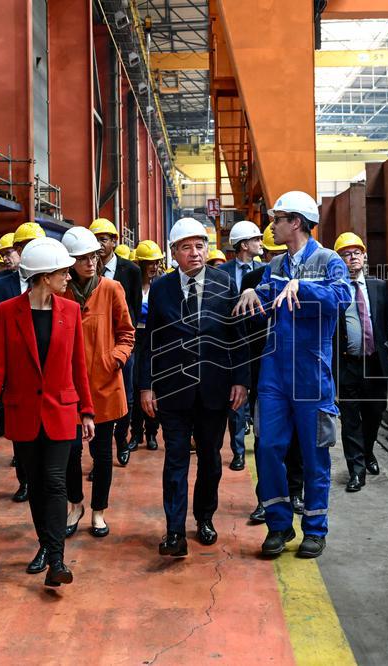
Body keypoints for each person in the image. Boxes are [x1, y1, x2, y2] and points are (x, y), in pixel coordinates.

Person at [234, 191, 350, 559]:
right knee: (267, 448)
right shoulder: (275, 266)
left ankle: (315, 529)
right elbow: (268, 301)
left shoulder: (329, 260)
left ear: (296, 222)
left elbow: (341, 295)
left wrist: (304, 286)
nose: (273, 224)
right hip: (274, 374)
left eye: (278, 218)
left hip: (312, 376)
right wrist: (253, 291)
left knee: (315, 455)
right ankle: (279, 525)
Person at [0, 237, 94, 587]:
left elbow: (79, 366)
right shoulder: (7, 311)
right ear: (45, 276)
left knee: (56, 481)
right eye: (62, 272)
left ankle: (56, 560)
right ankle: (46, 545)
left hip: (61, 411)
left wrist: (87, 411)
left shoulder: (71, 311)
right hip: (23, 412)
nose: (68, 277)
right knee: (37, 485)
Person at [139, 217, 249, 558]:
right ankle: (174, 532)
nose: (195, 253)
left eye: (200, 245)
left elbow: (238, 335)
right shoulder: (160, 289)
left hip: (214, 390)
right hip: (172, 391)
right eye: (186, 247)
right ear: (174, 253)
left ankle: (204, 518)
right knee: (175, 461)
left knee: (210, 460)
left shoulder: (224, 283)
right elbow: (148, 342)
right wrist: (146, 386)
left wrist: (241, 379)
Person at [60, 227, 135, 538]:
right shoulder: (59, 292)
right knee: (71, 451)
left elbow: (127, 334)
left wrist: (113, 359)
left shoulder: (111, 288)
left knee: (102, 453)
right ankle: (75, 504)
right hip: (69, 388)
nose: (90, 262)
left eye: (93, 256)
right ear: (69, 262)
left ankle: (98, 511)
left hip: (104, 385)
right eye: (82, 258)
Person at [240, 227, 304, 524]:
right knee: (266, 440)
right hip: (265, 373)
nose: (279, 259)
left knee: (298, 441)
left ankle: (294, 493)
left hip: (298, 373)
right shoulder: (254, 283)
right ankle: (265, 499)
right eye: (273, 254)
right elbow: (243, 331)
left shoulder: (304, 281)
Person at [0, 222, 47, 503]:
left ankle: (47, 478)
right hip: (14, 370)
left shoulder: (53, 282)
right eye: (22, 247)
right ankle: (25, 480)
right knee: (19, 430)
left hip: (45, 367)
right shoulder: (0, 286)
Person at [333, 232, 388, 492]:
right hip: (348, 365)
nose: (352, 257)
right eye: (346, 253)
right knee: (350, 420)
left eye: (357, 252)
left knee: (374, 414)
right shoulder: (334, 288)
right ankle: (356, 470)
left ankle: (368, 453)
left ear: (364, 256)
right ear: (338, 260)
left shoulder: (378, 286)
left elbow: (385, 323)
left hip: (375, 364)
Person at [89, 218, 142, 460]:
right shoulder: (83, 272)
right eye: (96, 240)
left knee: (126, 397)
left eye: (104, 239)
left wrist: (122, 348)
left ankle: (121, 440)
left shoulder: (130, 270)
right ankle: (100, 452)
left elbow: (133, 306)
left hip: (120, 346)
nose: (100, 245)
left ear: (114, 242)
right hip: (95, 347)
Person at [218, 221, 263, 471]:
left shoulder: (265, 271)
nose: (260, 243)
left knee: (258, 400)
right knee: (235, 401)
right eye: (256, 239)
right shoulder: (221, 273)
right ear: (244, 245)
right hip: (230, 347)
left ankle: (257, 443)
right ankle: (237, 452)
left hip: (257, 347)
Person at [130, 240, 164, 451]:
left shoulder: (161, 285)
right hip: (135, 339)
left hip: (155, 340)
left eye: (156, 262)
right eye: (149, 263)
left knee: (155, 388)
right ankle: (136, 433)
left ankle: (152, 432)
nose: (153, 266)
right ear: (140, 264)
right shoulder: (132, 286)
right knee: (135, 387)